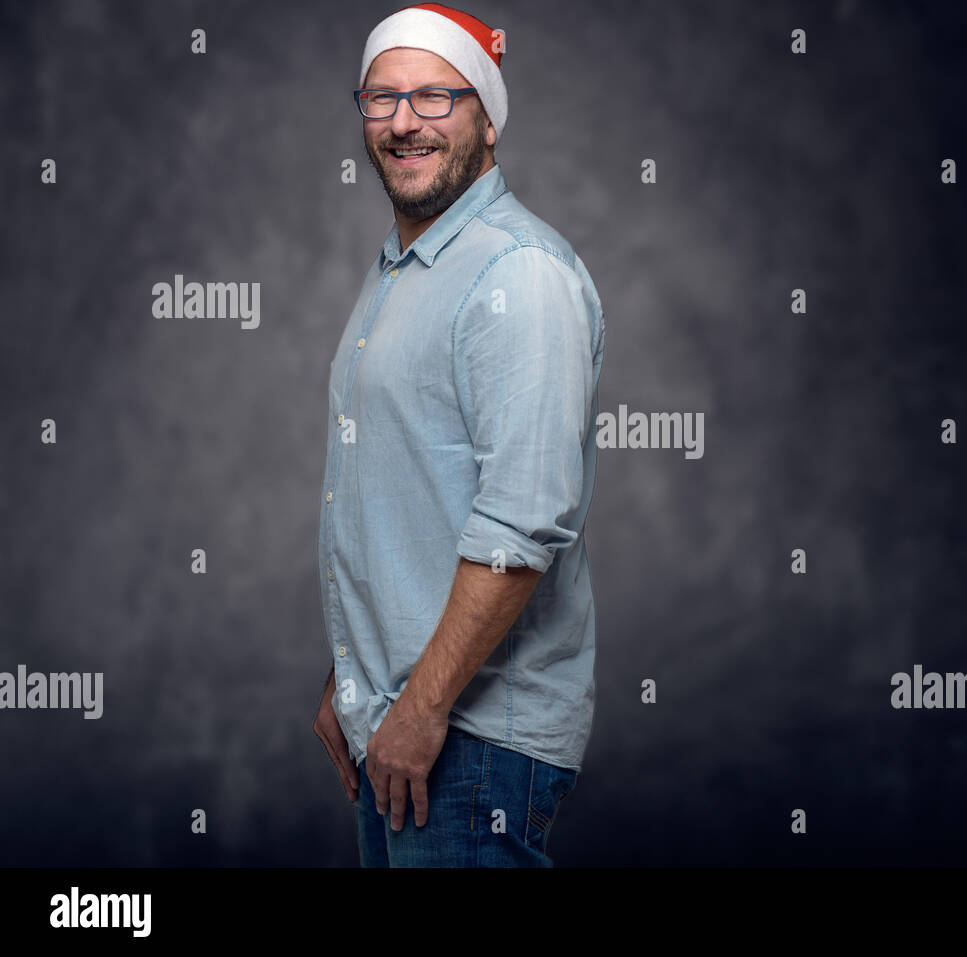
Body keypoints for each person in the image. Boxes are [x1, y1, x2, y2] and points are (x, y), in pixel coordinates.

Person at [310, 2, 605, 867]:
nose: (405, 123)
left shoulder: (519, 274)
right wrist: (354, 675)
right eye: (382, 98)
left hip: (468, 740)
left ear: (486, 118)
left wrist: (423, 704)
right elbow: (409, 502)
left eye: (437, 97)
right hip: (400, 722)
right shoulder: (404, 271)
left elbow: (521, 521)